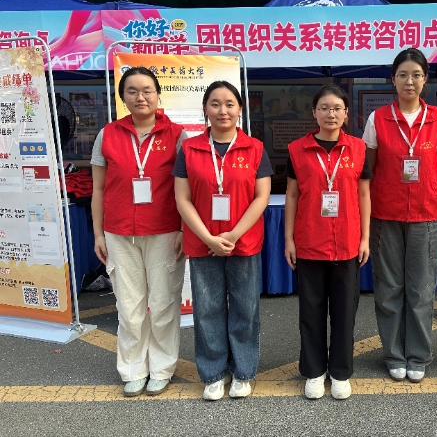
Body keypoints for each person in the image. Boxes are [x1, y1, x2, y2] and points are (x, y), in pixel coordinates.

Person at [173, 81, 272, 401]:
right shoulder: (189, 149)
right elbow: (182, 199)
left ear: (240, 109)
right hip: (203, 243)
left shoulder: (254, 148)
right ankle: (214, 373)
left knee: (245, 308)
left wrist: (232, 235)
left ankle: (243, 371)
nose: (222, 110)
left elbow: (262, 196)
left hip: (243, 242)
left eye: (229, 103)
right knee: (207, 309)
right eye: (215, 103)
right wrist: (208, 237)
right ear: (205, 109)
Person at [91, 66, 187, 397]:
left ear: (158, 94)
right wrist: (98, 234)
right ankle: (133, 368)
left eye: (147, 90)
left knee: (162, 304)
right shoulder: (107, 135)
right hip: (119, 233)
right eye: (132, 91)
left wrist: (183, 229)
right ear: (123, 97)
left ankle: (162, 367)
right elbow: (98, 189)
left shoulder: (177, 136)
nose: (140, 96)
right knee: (129, 307)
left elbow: (186, 190)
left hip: (164, 232)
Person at [362, 48, 437, 382]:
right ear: (393, 80)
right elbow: (368, 171)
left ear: (425, 79)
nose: (409, 81)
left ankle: (418, 355)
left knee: (421, 290)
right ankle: (393, 354)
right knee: (389, 288)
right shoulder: (378, 119)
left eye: (416, 75)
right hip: (385, 214)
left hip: (427, 215)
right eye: (403, 75)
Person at [284, 84, 371, 400]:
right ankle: (314, 371)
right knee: (311, 312)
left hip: (347, 242)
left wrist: (365, 238)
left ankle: (340, 372)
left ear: (346, 113)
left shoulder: (358, 149)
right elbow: (292, 195)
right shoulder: (297, 149)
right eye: (324, 108)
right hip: (310, 241)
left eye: (336, 108)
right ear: (314, 112)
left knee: (345, 313)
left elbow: (364, 194)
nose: (330, 113)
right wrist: (289, 239)